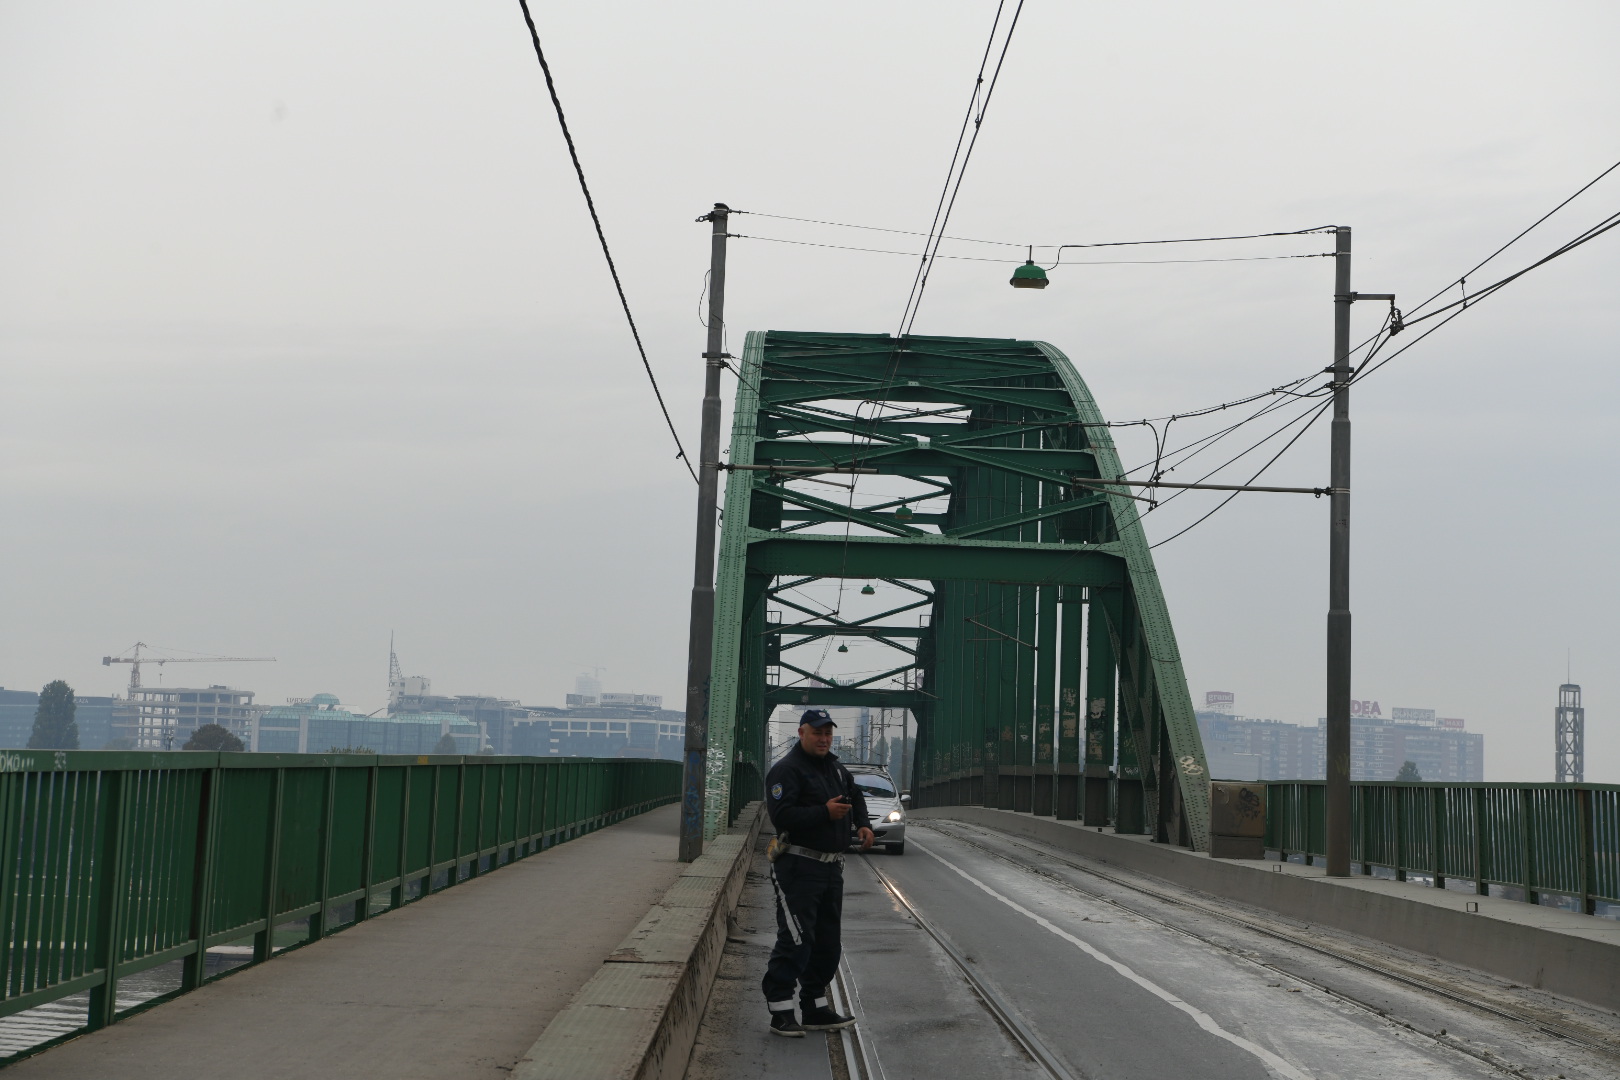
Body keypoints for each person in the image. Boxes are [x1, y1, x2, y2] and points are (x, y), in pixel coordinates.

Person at [760, 709, 874, 1037]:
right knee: (798, 939)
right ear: (802, 733)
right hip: (797, 866)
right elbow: (783, 817)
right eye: (817, 733)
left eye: (828, 733)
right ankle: (781, 1010)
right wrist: (824, 812)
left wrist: (863, 824)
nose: (824, 739)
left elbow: (855, 796)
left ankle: (814, 1007)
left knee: (827, 943)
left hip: (830, 868)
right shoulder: (787, 770)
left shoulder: (836, 769)